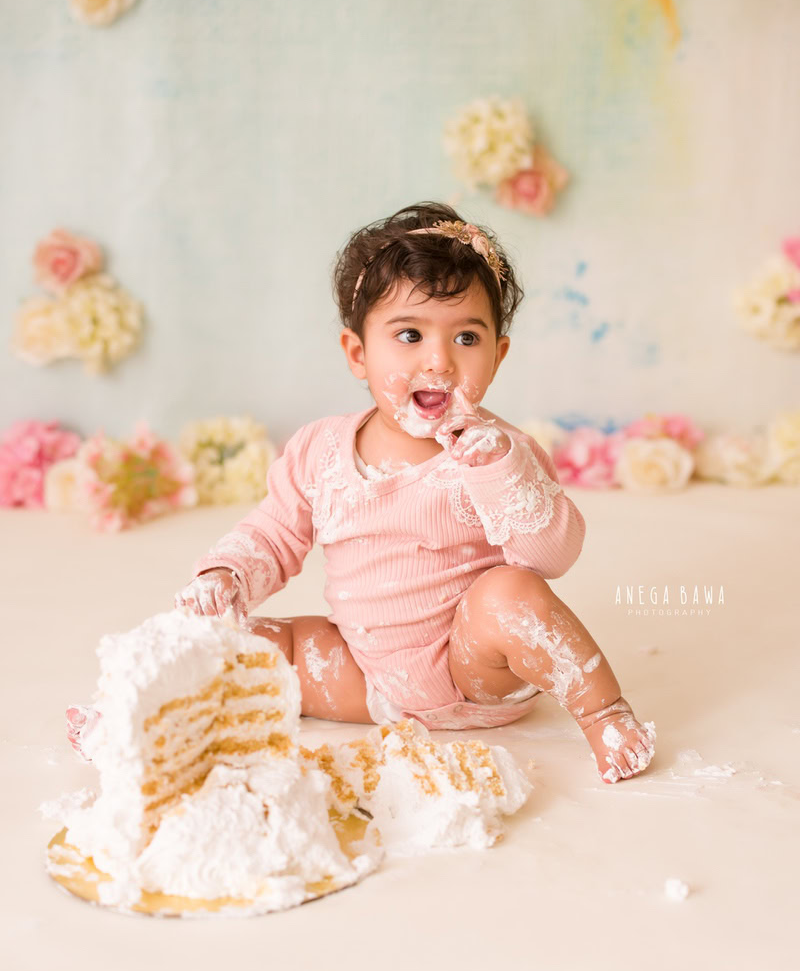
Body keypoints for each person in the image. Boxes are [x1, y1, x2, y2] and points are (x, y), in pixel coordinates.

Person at [69, 202, 655, 783]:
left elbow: (552, 555)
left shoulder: (501, 453)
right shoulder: (321, 451)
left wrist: (500, 471)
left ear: (498, 356)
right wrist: (228, 574)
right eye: (409, 334)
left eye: (467, 338)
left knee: (510, 592)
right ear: (358, 354)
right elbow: (275, 533)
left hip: (474, 670)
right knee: (235, 639)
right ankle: (132, 713)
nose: (439, 361)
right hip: (362, 676)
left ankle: (604, 713)